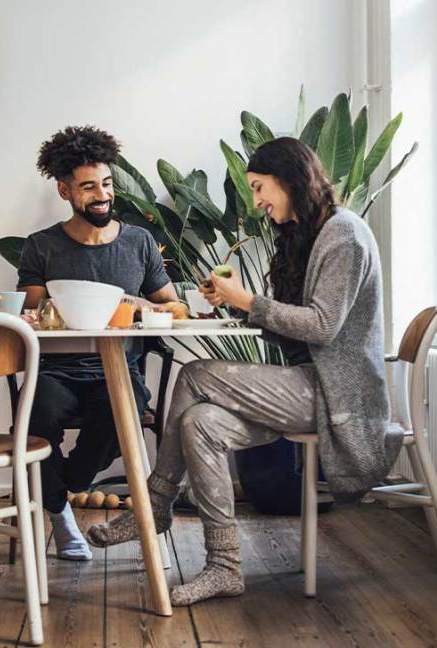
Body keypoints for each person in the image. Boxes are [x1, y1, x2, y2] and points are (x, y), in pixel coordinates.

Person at [87, 137, 402, 605]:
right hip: (310, 385)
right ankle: (224, 567)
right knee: (199, 423)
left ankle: (152, 508)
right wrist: (234, 310)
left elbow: (323, 325)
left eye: (259, 188)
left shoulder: (345, 234)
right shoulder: (311, 235)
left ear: (290, 179)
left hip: (339, 396)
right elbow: (294, 331)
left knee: (194, 374)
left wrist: (248, 303)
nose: (257, 202)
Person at [17, 125, 178, 560]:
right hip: (57, 373)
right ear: (65, 191)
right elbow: (30, 316)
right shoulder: (42, 247)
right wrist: (37, 314)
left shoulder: (138, 242)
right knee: (37, 409)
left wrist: (131, 302)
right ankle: (61, 517)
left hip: (118, 371)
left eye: (106, 184)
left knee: (119, 406)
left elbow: (174, 310)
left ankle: (66, 487)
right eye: (89, 187)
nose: (102, 195)